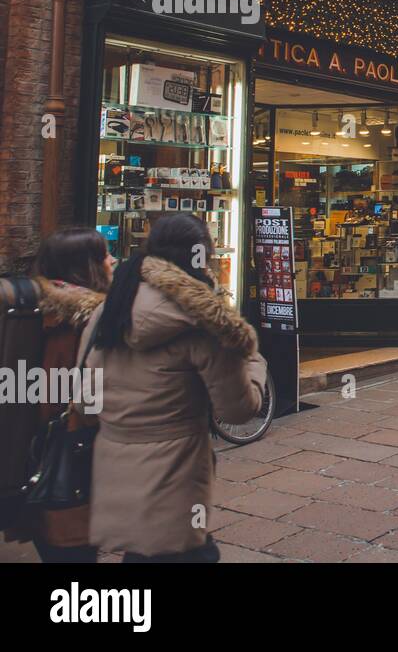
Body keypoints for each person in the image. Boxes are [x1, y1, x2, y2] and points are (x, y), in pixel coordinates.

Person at [81, 214, 266, 563]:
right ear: (204, 256)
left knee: (142, 553)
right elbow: (238, 410)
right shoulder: (202, 323)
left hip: (113, 467)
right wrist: (255, 363)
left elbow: (84, 397)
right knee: (183, 553)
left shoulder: (111, 308)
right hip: (174, 472)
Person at [3, 228, 113, 563]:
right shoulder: (86, 323)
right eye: (104, 255)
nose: (112, 260)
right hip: (71, 465)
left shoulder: (32, 312)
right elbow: (89, 403)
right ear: (86, 267)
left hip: (26, 463)